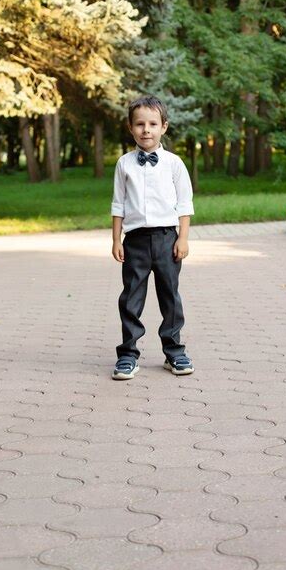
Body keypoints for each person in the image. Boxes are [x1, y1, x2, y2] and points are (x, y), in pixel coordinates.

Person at [111, 94, 195, 380]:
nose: (146, 130)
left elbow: (185, 204)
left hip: (166, 240)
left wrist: (182, 239)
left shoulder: (174, 164)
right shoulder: (124, 164)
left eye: (152, 124)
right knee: (131, 297)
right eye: (140, 124)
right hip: (135, 240)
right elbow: (118, 204)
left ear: (164, 127)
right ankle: (127, 355)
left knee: (170, 296)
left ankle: (174, 352)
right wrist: (115, 239)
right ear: (130, 128)